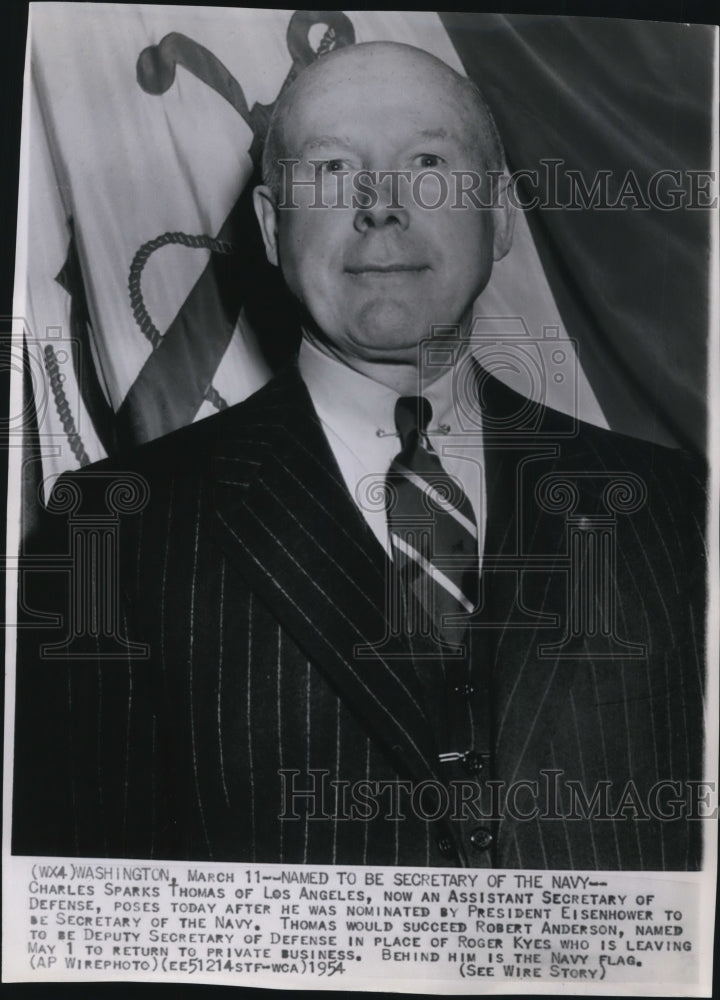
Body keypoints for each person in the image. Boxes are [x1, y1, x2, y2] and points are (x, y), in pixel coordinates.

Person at [12, 41, 706, 869]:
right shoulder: (113, 534)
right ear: (272, 227)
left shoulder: (679, 511)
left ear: (500, 215)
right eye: (334, 168)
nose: (379, 203)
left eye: (426, 160)